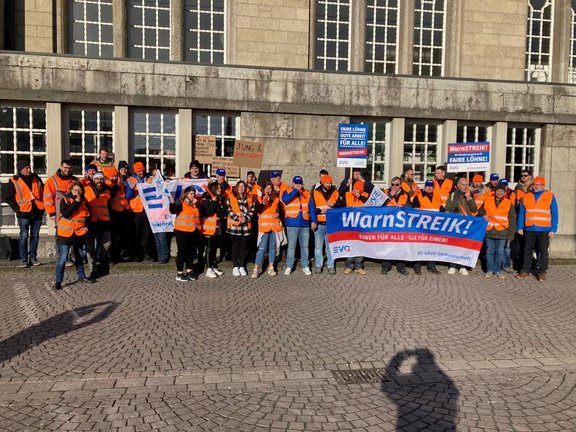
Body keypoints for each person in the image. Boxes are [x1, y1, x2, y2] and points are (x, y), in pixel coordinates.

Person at [54, 181, 95, 290]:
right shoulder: (65, 200)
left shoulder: (85, 202)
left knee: (79, 256)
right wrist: (76, 202)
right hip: (65, 234)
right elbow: (66, 214)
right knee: (63, 258)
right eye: (75, 189)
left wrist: (87, 227)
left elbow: (89, 217)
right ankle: (58, 281)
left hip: (79, 233)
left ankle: (81, 276)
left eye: (79, 190)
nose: (77, 192)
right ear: (71, 190)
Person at [516, 176, 558, 282]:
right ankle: (525, 270)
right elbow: (522, 213)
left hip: (544, 229)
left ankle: (542, 272)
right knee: (527, 250)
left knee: (543, 252)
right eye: (534, 184)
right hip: (529, 228)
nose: (536, 186)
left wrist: (553, 229)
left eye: (538, 185)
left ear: (543, 186)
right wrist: (520, 227)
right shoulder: (526, 196)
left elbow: (555, 213)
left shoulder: (550, 196)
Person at [6, 160, 45, 267]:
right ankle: (24, 259)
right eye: (26, 168)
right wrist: (17, 209)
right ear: (21, 169)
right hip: (23, 213)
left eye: (29, 167)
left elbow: (44, 192)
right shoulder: (14, 180)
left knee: (35, 236)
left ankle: (33, 257)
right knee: (23, 236)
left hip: (37, 211)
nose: (29, 169)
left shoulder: (36, 178)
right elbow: (9, 197)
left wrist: (43, 208)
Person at [478, 182, 516, 278]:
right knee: (489, 251)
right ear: (495, 191)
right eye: (498, 190)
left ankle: (497, 270)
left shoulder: (508, 203)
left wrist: (511, 235)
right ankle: (490, 270)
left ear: (505, 193)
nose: (500, 192)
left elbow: (512, 219)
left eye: (502, 191)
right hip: (489, 231)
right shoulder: (488, 200)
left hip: (502, 232)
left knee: (500, 252)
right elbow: (480, 210)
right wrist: (483, 215)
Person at [444, 177, 478, 275]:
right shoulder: (452, 195)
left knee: (465, 245)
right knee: (454, 245)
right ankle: (452, 265)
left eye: (467, 184)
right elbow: (448, 208)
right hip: (455, 224)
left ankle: (462, 265)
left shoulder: (469, 195)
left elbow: (474, 209)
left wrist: (469, 198)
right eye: (463, 184)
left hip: (467, 224)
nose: (465, 187)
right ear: (458, 185)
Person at [282, 176, 314, 276]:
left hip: (304, 223)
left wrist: (314, 221)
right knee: (291, 246)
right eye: (296, 183)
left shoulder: (307, 193)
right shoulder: (287, 191)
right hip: (292, 223)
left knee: (305, 246)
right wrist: (295, 191)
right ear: (293, 184)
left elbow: (311, 208)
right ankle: (289, 266)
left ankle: (305, 265)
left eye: (299, 183)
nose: (298, 185)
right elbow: (285, 200)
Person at [310, 175, 341, 275]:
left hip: (331, 223)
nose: (328, 185)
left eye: (330, 183)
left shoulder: (335, 192)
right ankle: (318, 265)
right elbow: (311, 208)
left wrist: (334, 205)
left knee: (330, 246)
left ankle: (331, 265)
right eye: (327, 183)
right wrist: (317, 214)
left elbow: (341, 207)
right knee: (318, 246)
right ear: (322, 183)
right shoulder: (315, 192)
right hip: (319, 223)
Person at [169, 186, 201, 282]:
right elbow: (173, 210)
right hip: (181, 231)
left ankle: (189, 271)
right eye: (191, 193)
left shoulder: (194, 204)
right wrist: (172, 203)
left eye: (194, 193)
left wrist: (197, 204)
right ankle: (179, 273)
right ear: (186, 194)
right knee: (182, 252)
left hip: (192, 230)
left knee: (190, 252)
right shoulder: (181, 202)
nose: (193, 195)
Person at [84, 171, 112, 278]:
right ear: (93, 179)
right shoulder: (86, 189)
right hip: (90, 221)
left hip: (104, 221)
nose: (99, 181)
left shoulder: (107, 191)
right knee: (90, 245)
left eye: (101, 179)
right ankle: (92, 268)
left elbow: (108, 206)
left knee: (107, 242)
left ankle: (100, 259)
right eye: (97, 179)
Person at [252, 182, 283, 278]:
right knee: (261, 248)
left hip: (274, 227)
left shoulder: (276, 199)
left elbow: (281, 211)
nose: (268, 190)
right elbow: (257, 210)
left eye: (270, 188)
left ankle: (271, 267)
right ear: (263, 190)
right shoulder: (259, 199)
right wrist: (263, 202)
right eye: (266, 188)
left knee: (272, 248)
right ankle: (256, 269)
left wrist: (278, 214)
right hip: (264, 228)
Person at [381, 177, 411, 275]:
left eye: (397, 184)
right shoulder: (385, 193)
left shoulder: (405, 194)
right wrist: (391, 195)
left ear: (401, 185)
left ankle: (401, 266)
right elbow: (380, 205)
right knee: (387, 245)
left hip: (400, 225)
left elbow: (410, 207)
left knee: (401, 245)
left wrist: (404, 207)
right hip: (388, 225)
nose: (394, 186)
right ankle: (386, 266)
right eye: (392, 184)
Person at [411, 180, 442, 274]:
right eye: (428, 186)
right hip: (421, 226)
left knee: (432, 246)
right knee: (419, 246)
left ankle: (431, 266)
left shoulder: (437, 196)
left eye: (431, 186)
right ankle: (417, 266)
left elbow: (441, 209)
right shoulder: (419, 196)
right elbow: (414, 210)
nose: (429, 188)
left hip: (433, 226)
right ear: (424, 187)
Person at [125, 162, 155, 261]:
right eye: (139, 171)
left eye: (142, 170)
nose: (141, 172)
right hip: (135, 211)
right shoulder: (130, 180)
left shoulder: (149, 179)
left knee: (147, 233)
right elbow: (127, 196)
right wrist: (132, 189)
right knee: (136, 233)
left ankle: (146, 253)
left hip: (146, 210)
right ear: (135, 171)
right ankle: (136, 254)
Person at [227, 180, 255, 276]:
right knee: (235, 247)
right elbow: (229, 210)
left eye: (243, 186)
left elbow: (252, 210)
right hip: (235, 226)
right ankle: (235, 266)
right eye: (239, 186)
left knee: (243, 247)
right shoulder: (231, 197)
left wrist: (245, 218)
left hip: (245, 227)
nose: (241, 188)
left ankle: (242, 266)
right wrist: (238, 218)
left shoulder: (250, 198)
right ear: (236, 187)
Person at [200, 181, 226, 278]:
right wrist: (214, 202)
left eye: (220, 187)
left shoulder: (219, 198)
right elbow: (208, 212)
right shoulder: (206, 199)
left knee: (214, 248)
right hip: (208, 228)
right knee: (209, 248)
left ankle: (213, 266)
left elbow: (220, 211)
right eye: (218, 188)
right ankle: (208, 268)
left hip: (216, 228)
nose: (220, 189)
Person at [342, 180, 367, 275]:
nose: (355, 191)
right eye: (354, 189)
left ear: (361, 190)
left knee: (360, 246)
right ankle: (349, 266)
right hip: (350, 225)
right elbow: (340, 205)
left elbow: (370, 206)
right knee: (350, 246)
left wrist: (360, 197)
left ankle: (359, 266)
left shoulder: (365, 196)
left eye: (357, 189)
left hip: (361, 226)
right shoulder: (348, 195)